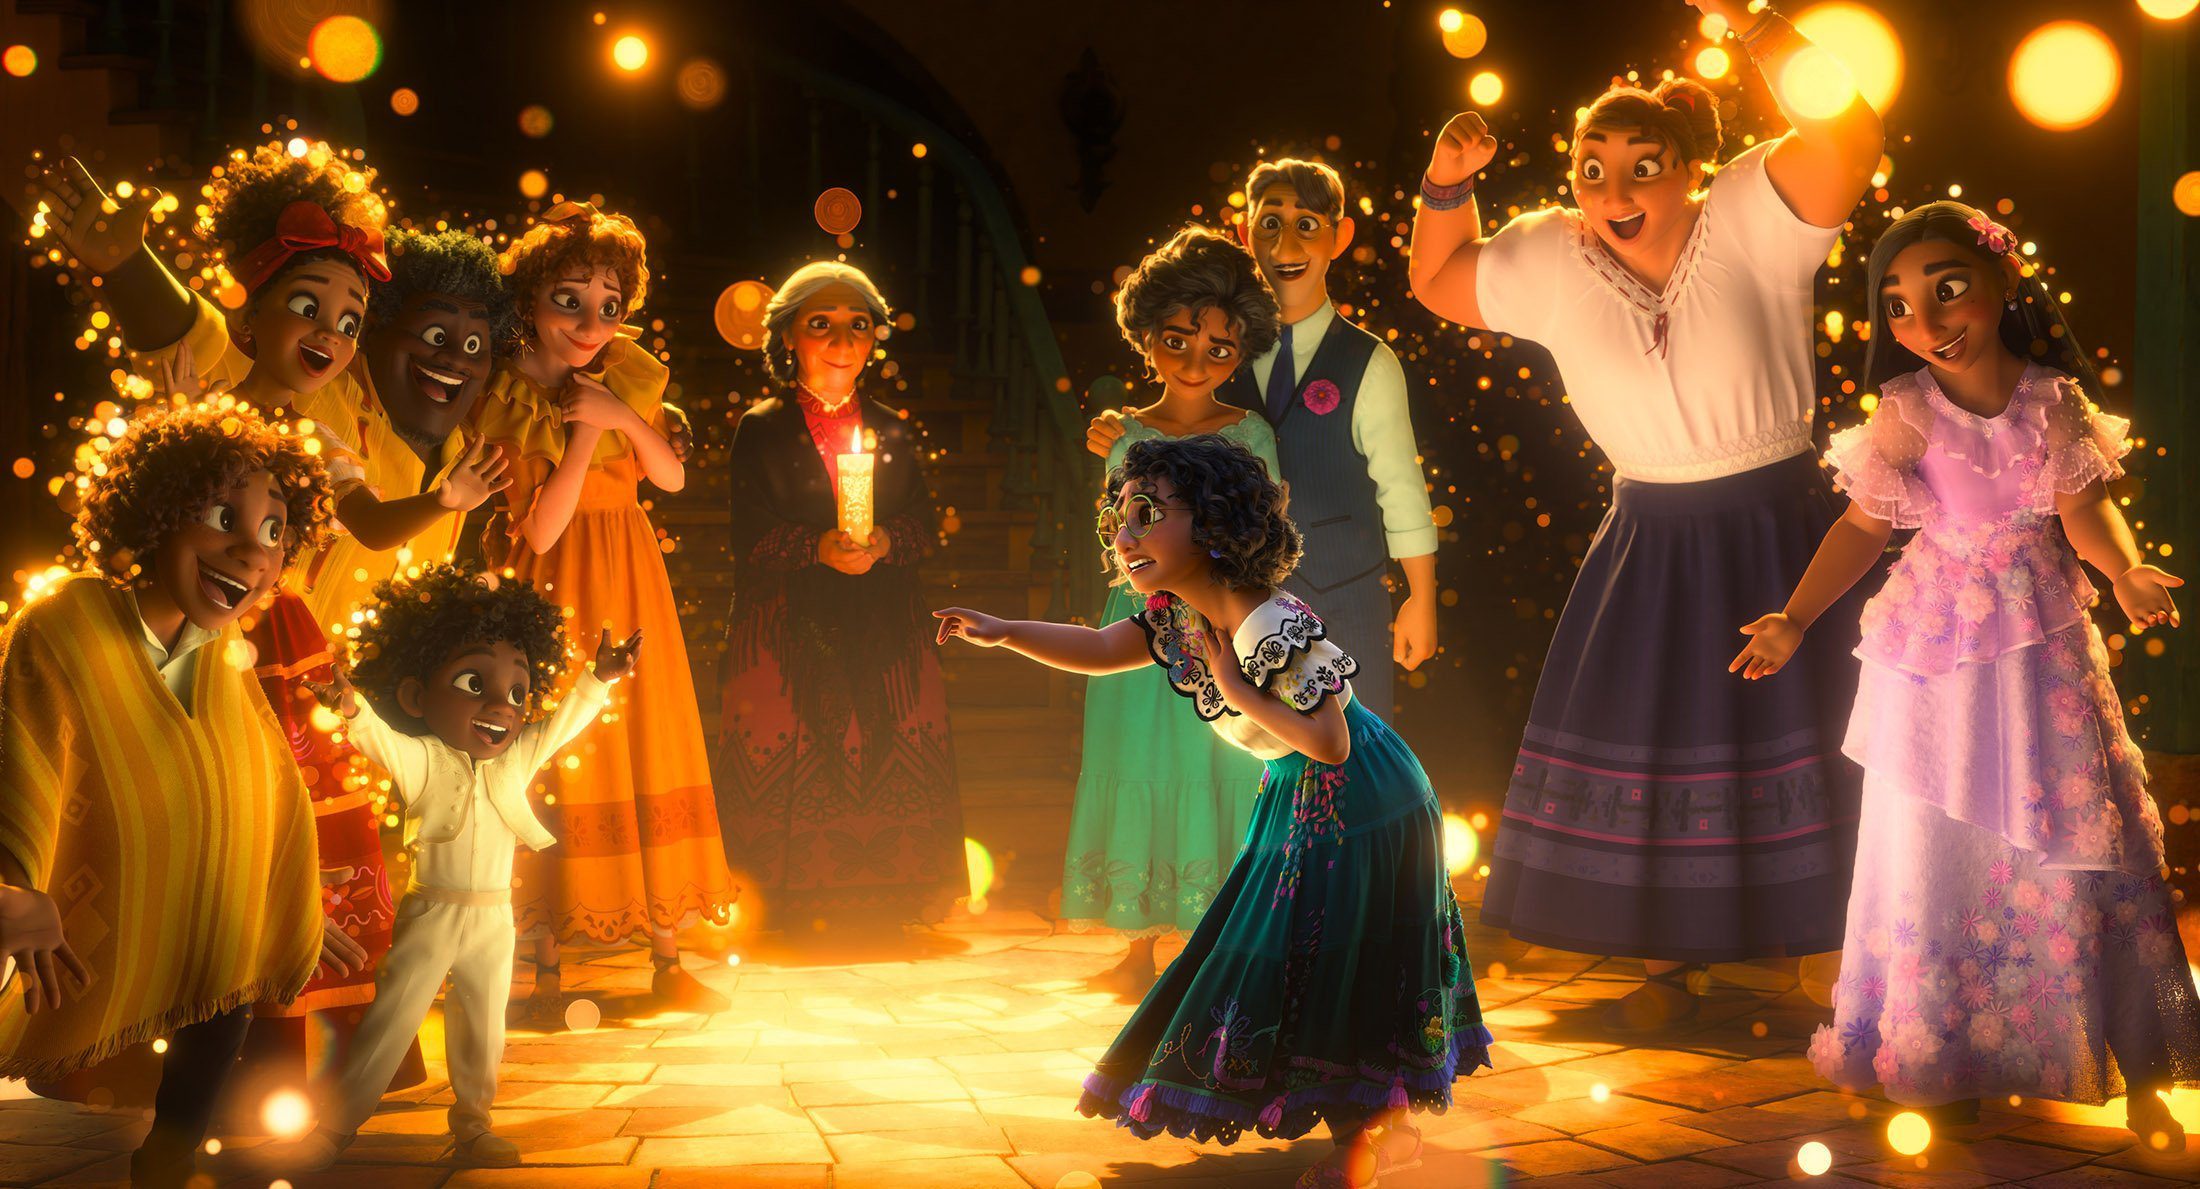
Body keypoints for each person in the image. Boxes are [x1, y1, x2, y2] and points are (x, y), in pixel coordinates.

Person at [1406, 0, 1885, 1028]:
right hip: (1650, 537)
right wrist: (1446, 185)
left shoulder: (1757, 214)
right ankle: (1670, 945)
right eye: (1591, 166)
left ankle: (1831, 948)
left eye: (1642, 163)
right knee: (1663, 720)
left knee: (1809, 728)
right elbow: (1437, 277)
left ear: (1689, 167)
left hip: (1781, 521)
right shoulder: (1545, 258)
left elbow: (1852, 136)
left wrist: (1758, 32)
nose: (1613, 190)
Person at [1733, 202, 2200, 1143]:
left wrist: (2124, 568)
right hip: (1934, 642)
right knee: (1930, 828)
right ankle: (1940, 1050)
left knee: (2070, 815)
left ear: (2002, 282)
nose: (1928, 319)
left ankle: (2119, 1050)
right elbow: (1865, 526)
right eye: (1900, 306)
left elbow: (2084, 511)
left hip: (2040, 638)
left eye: (1948, 289)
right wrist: (1793, 615)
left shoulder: (2052, 401)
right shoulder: (1907, 410)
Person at [937, 435, 1486, 1189]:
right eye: (1117, 521)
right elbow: (1100, 646)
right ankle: (1377, 1132)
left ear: (1215, 520)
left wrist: (1242, 693)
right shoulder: (1179, 617)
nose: (1124, 536)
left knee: (1331, 961)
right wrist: (1004, 632)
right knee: (1307, 959)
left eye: (1146, 514)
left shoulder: (1267, 621)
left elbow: (1330, 742)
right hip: (1304, 793)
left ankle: (1377, 1138)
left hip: (1363, 797)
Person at [0, 402, 336, 1188]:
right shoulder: (66, 621)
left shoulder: (226, 653)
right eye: (224, 516)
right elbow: (24, 755)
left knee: (227, 958)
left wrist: (286, 887)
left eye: (275, 532)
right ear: (157, 512)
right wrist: (17, 881)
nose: (251, 551)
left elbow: (258, 779)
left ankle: (170, 1155)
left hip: (195, 899)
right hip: (59, 904)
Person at [257, 563, 639, 1170]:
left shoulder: (518, 758)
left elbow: (562, 724)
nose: (501, 707)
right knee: (393, 1016)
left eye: (518, 692)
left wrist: (600, 678)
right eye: (472, 682)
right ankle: (334, 1127)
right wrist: (352, 707)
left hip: (493, 918)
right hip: (432, 910)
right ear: (416, 695)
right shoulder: (424, 760)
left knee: (484, 1023)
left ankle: (474, 1124)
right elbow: (377, 739)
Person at [473, 201, 732, 1015]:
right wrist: (583, 434)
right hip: (554, 591)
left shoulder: (625, 377)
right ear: (528, 305)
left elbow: (672, 477)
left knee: (647, 737)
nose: (592, 323)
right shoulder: (509, 400)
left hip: (629, 572)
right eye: (570, 301)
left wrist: (616, 414)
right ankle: (546, 963)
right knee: (559, 748)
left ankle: (664, 951)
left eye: (609, 305)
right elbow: (543, 528)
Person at [1090, 159, 1437, 720]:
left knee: (1353, 742)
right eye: (1270, 223)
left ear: (1339, 236)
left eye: (1306, 223)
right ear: (1246, 234)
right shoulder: (1221, 344)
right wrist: (1124, 431)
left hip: (1343, 589)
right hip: (1225, 601)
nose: (1286, 243)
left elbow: (1400, 485)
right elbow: (1173, 420)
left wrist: (1421, 595)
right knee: (1255, 745)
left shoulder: (1368, 361)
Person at [716, 261, 967, 927]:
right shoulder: (762, 427)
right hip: (790, 615)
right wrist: (815, 546)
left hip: (882, 611)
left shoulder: (891, 424)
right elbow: (747, 531)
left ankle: (896, 891)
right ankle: (781, 895)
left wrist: (884, 540)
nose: (842, 338)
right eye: (820, 324)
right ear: (789, 336)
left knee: (893, 712)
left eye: (858, 325)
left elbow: (922, 517)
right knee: (786, 717)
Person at [1067, 227, 1281, 995]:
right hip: (1136, 625)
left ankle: (1217, 932)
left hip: (1219, 628)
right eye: (1177, 339)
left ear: (1244, 347)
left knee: (1217, 764)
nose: (1196, 360)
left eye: (1219, 347)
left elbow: (1264, 529)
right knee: (1136, 766)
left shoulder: (1251, 433)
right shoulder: (1122, 432)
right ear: (1146, 335)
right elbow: (1113, 529)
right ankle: (1137, 936)